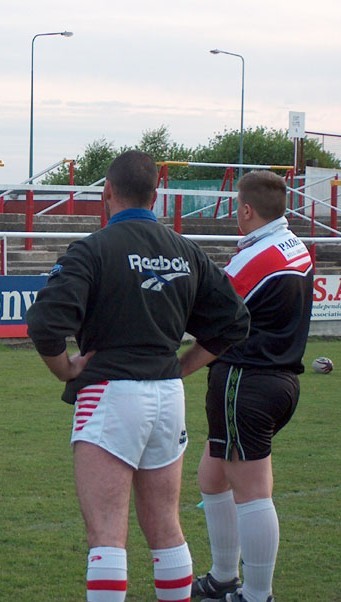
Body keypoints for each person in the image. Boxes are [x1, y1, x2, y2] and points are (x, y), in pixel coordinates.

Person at [26, 150, 250, 602]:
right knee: (166, 526)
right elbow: (235, 322)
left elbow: (45, 324)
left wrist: (65, 369)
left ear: (107, 192)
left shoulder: (93, 249)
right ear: (156, 198)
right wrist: (180, 367)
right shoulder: (186, 250)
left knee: (107, 533)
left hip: (110, 393)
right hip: (168, 397)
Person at [191, 170, 313, 602]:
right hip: (279, 380)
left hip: (246, 381)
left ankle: (256, 594)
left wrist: (175, 366)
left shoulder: (253, 259)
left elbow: (215, 320)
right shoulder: (294, 246)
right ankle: (223, 576)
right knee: (212, 475)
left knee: (252, 490)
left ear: (245, 209)